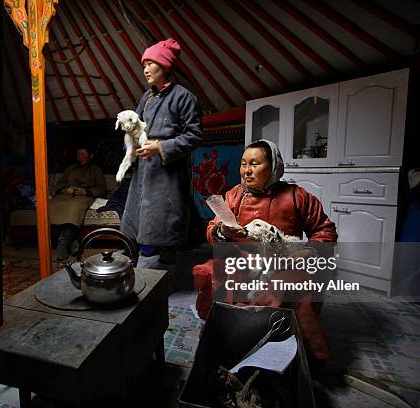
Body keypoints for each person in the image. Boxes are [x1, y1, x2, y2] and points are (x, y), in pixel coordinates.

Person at [192, 139, 337, 361]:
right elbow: (212, 228)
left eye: (254, 164)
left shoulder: (297, 196)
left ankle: (297, 354)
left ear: (274, 167)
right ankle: (227, 339)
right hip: (241, 259)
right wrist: (222, 232)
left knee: (282, 290)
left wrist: (307, 252)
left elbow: (325, 231)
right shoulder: (234, 195)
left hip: (284, 261)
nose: (246, 171)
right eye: (243, 164)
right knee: (212, 274)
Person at [120, 38, 203, 272]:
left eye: (150, 63)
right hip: (144, 173)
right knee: (142, 227)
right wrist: (132, 143)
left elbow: (194, 136)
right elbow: (135, 127)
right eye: (143, 64)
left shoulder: (184, 97)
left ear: (165, 66)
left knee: (164, 229)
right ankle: (152, 279)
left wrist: (160, 147)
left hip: (168, 175)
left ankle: (161, 283)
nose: (145, 69)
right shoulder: (146, 98)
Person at [51, 146, 106, 260]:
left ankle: (63, 243)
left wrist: (85, 191)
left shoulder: (95, 169)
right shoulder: (70, 169)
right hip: (67, 195)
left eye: (83, 153)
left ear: (89, 155)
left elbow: (102, 188)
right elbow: (60, 184)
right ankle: (73, 243)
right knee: (53, 204)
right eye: (78, 153)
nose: (80, 156)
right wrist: (65, 189)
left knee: (75, 207)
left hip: (84, 196)